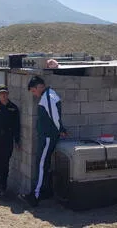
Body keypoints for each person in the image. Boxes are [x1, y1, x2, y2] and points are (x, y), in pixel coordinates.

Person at [20, 76, 67, 207]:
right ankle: (46, 190)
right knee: (44, 164)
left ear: (39, 87)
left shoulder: (47, 97)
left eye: (34, 91)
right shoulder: (49, 95)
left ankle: (36, 195)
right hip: (47, 136)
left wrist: (61, 129)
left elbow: (55, 116)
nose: (34, 95)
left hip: (47, 137)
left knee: (41, 164)